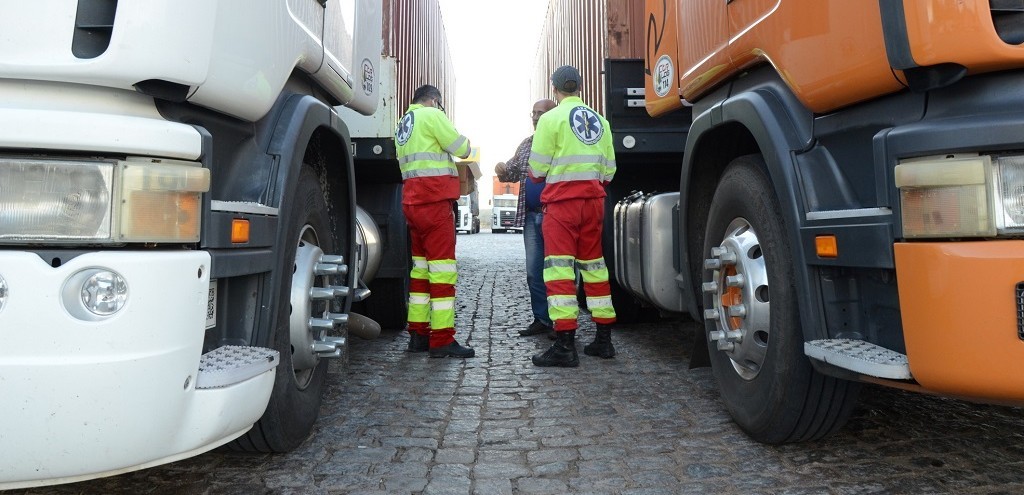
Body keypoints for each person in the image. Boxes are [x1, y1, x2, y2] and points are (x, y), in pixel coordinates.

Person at [528, 65, 617, 367]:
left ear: (554, 89)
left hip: (562, 206)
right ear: (580, 87)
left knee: (559, 271)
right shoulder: (601, 121)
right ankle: (604, 340)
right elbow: (609, 173)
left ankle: (565, 345)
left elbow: (537, 172)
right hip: (593, 203)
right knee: (595, 268)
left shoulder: (550, 119)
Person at [394, 84, 474, 358]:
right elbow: (462, 148)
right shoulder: (432, 115)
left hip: (412, 203)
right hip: (435, 202)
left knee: (419, 272)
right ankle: (441, 340)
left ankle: (418, 335)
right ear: (435, 101)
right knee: (442, 271)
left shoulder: (404, 123)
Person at [494, 98, 558, 340]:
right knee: (534, 272)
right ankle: (542, 319)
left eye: (540, 113)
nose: (535, 117)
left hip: (555, 215)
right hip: (532, 218)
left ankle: (561, 322)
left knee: (558, 270)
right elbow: (510, 172)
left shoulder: (560, 141)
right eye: (533, 113)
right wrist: (501, 168)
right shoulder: (526, 145)